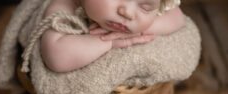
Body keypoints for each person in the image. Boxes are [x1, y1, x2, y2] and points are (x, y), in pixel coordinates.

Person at [40, 0, 185, 72]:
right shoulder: (65, 5)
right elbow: (56, 57)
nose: (127, 13)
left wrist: (139, 30)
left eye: (145, 7)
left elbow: (177, 17)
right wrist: (106, 41)